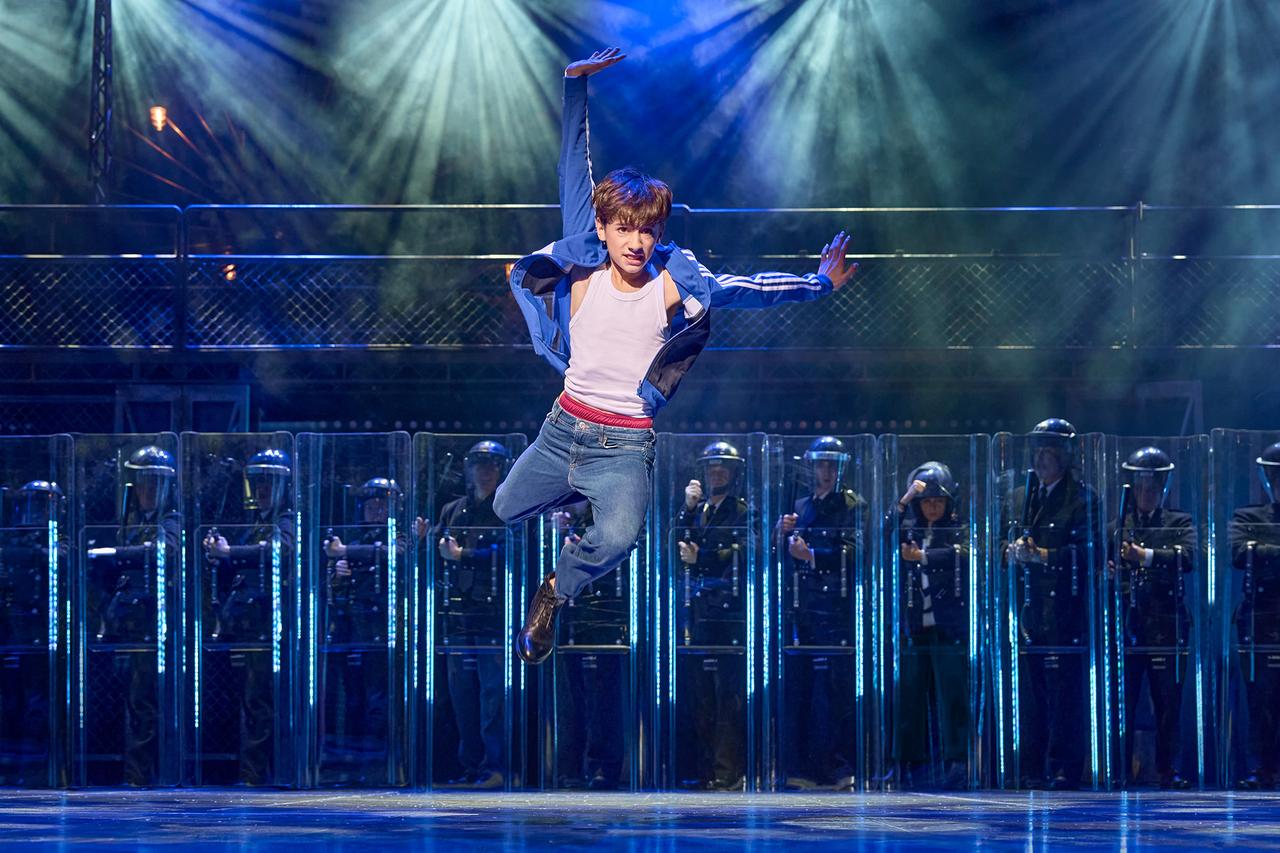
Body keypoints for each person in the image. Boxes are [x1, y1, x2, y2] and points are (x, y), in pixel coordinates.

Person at [497, 47, 857, 666]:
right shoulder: (582, 266)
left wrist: (817, 283)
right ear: (604, 228)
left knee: (620, 536)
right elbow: (571, 169)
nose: (637, 241)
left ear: (658, 232)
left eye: (649, 230)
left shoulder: (675, 281)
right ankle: (576, 495)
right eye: (625, 229)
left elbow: (744, 289)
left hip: (624, 444)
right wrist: (574, 87)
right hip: (562, 430)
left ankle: (556, 591)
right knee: (505, 507)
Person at [1006, 418, 1101, 790]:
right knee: (1032, 695)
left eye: (1051, 450)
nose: (1043, 457)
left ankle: (1066, 767)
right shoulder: (1019, 496)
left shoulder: (1083, 497)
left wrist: (1045, 555)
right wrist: (1011, 551)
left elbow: (1089, 552)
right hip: (1027, 611)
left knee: (1066, 695)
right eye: (1039, 449)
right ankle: (1029, 765)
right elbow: (1000, 541)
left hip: (1065, 610)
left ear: (1066, 455)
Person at [776, 436, 865, 789]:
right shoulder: (800, 504)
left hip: (837, 609)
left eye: (832, 465)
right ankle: (804, 768)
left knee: (836, 692)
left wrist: (811, 554)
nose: (826, 472)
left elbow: (856, 549)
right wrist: (780, 535)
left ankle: (840, 767)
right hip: (804, 609)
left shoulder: (854, 505)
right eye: (821, 464)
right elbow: (783, 552)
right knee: (803, 691)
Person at [201, 447, 294, 785]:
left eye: (269, 482)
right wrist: (220, 555)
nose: (262, 489)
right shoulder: (255, 523)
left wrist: (231, 552)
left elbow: (282, 551)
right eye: (257, 482)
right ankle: (250, 770)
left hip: (268, 628)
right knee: (248, 702)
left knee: (259, 702)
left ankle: (255, 773)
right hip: (243, 627)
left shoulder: (286, 521)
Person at [1112, 446, 1195, 789]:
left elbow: (1188, 558)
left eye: (1153, 487)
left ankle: (1168, 769)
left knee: (1168, 703)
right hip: (1126, 624)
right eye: (1141, 486)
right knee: (1123, 702)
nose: (1147, 493)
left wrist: (1143, 555)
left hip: (1166, 623)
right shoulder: (1116, 525)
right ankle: (1119, 768)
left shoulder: (1178, 522)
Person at [674, 441, 749, 790]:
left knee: (728, 699)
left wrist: (702, 557)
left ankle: (727, 771)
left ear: (733, 473)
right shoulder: (698, 510)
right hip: (698, 615)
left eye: (723, 467)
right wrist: (686, 510)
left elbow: (745, 552)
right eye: (712, 466)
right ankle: (704, 769)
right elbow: (673, 549)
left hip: (729, 617)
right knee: (699, 697)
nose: (716, 471)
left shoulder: (742, 511)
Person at [891, 462, 970, 790]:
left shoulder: (958, 529)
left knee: (952, 695)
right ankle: (911, 763)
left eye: (938, 500)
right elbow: (881, 534)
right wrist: (904, 500)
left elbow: (963, 554)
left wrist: (923, 556)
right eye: (927, 501)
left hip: (948, 625)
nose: (933, 506)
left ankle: (958, 761)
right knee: (909, 695)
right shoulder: (908, 529)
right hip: (914, 625)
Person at [435, 441, 509, 789]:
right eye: (479, 465)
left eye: (491, 465)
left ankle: (496, 766)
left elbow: (509, 551)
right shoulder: (454, 510)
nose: (485, 471)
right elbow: (437, 553)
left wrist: (464, 554)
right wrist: (425, 540)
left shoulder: (509, 507)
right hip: (458, 614)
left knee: (492, 693)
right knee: (461, 693)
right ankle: (470, 765)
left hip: (493, 613)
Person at [1228, 440, 1280, 788]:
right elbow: (1237, 551)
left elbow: (1255, 552)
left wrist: (1264, 551)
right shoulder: (1249, 516)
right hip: (1260, 619)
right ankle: (1260, 767)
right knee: (1259, 698)